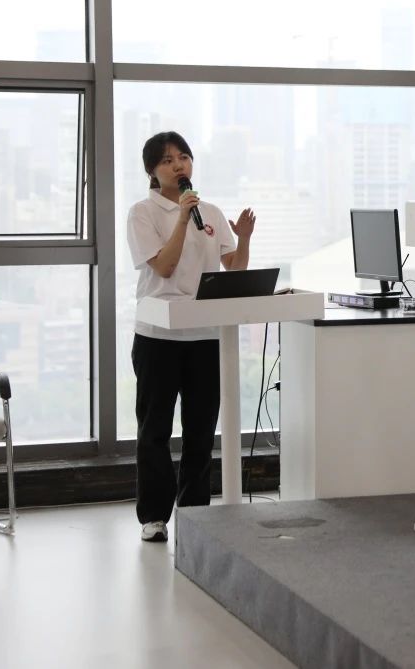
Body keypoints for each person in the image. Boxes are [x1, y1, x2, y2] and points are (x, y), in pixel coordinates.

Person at [125, 131, 256, 542]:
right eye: (167, 160)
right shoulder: (142, 213)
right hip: (158, 336)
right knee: (155, 431)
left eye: (184, 157)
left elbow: (234, 269)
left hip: (205, 335)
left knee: (201, 431)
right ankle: (154, 517)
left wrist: (244, 238)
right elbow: (164, 267)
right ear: (152, 171)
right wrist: (182, 218)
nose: (178, 165)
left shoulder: (210, 211)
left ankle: (196, 513)